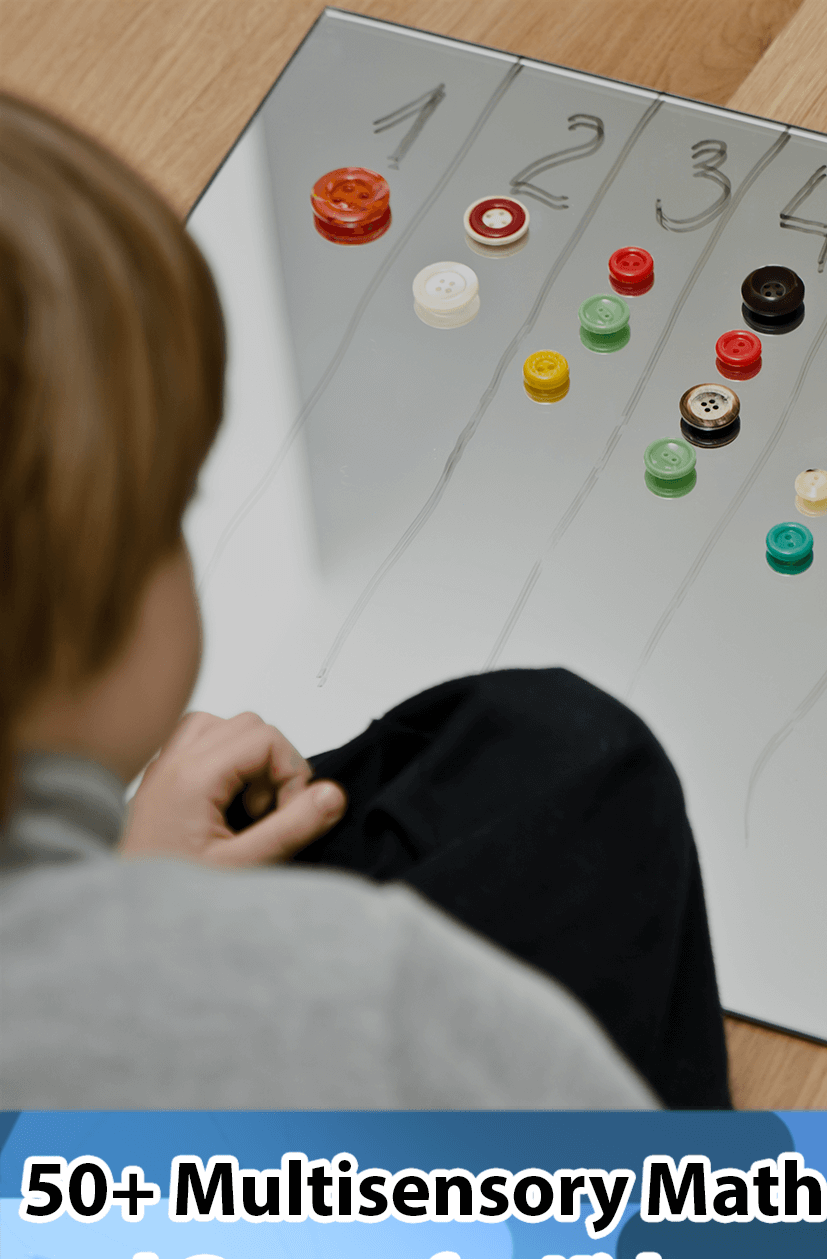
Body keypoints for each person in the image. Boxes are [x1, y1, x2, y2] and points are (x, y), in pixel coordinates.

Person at [0, 93, 730, 1110]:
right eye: (175, 506)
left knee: (527, 750)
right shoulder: (371, 1007)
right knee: (583, 765)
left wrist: (128, 884)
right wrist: (150, 929)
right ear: (94, 606)